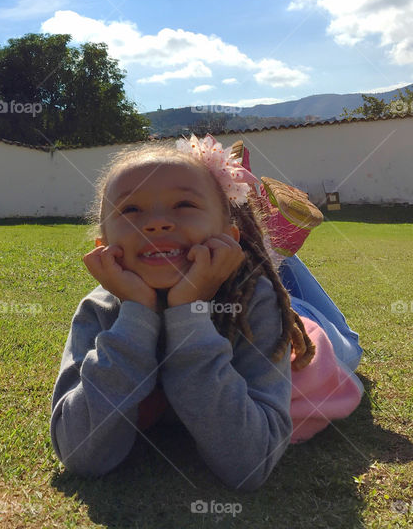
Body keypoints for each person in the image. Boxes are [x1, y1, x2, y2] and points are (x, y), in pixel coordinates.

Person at [49, 135, 362, 489]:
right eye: (131, 210)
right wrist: (137, 313)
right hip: (245, 269)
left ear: (228, 235)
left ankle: (276, 247)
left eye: (183, 203)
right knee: (272, 268)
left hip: (311, 351)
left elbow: (249, 464)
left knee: (350, 344)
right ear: (103, 245)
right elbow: (81, 454)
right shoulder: (100, 308)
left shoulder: (257, 300)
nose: (156, 224)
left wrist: (187, 310)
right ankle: (274, 240)